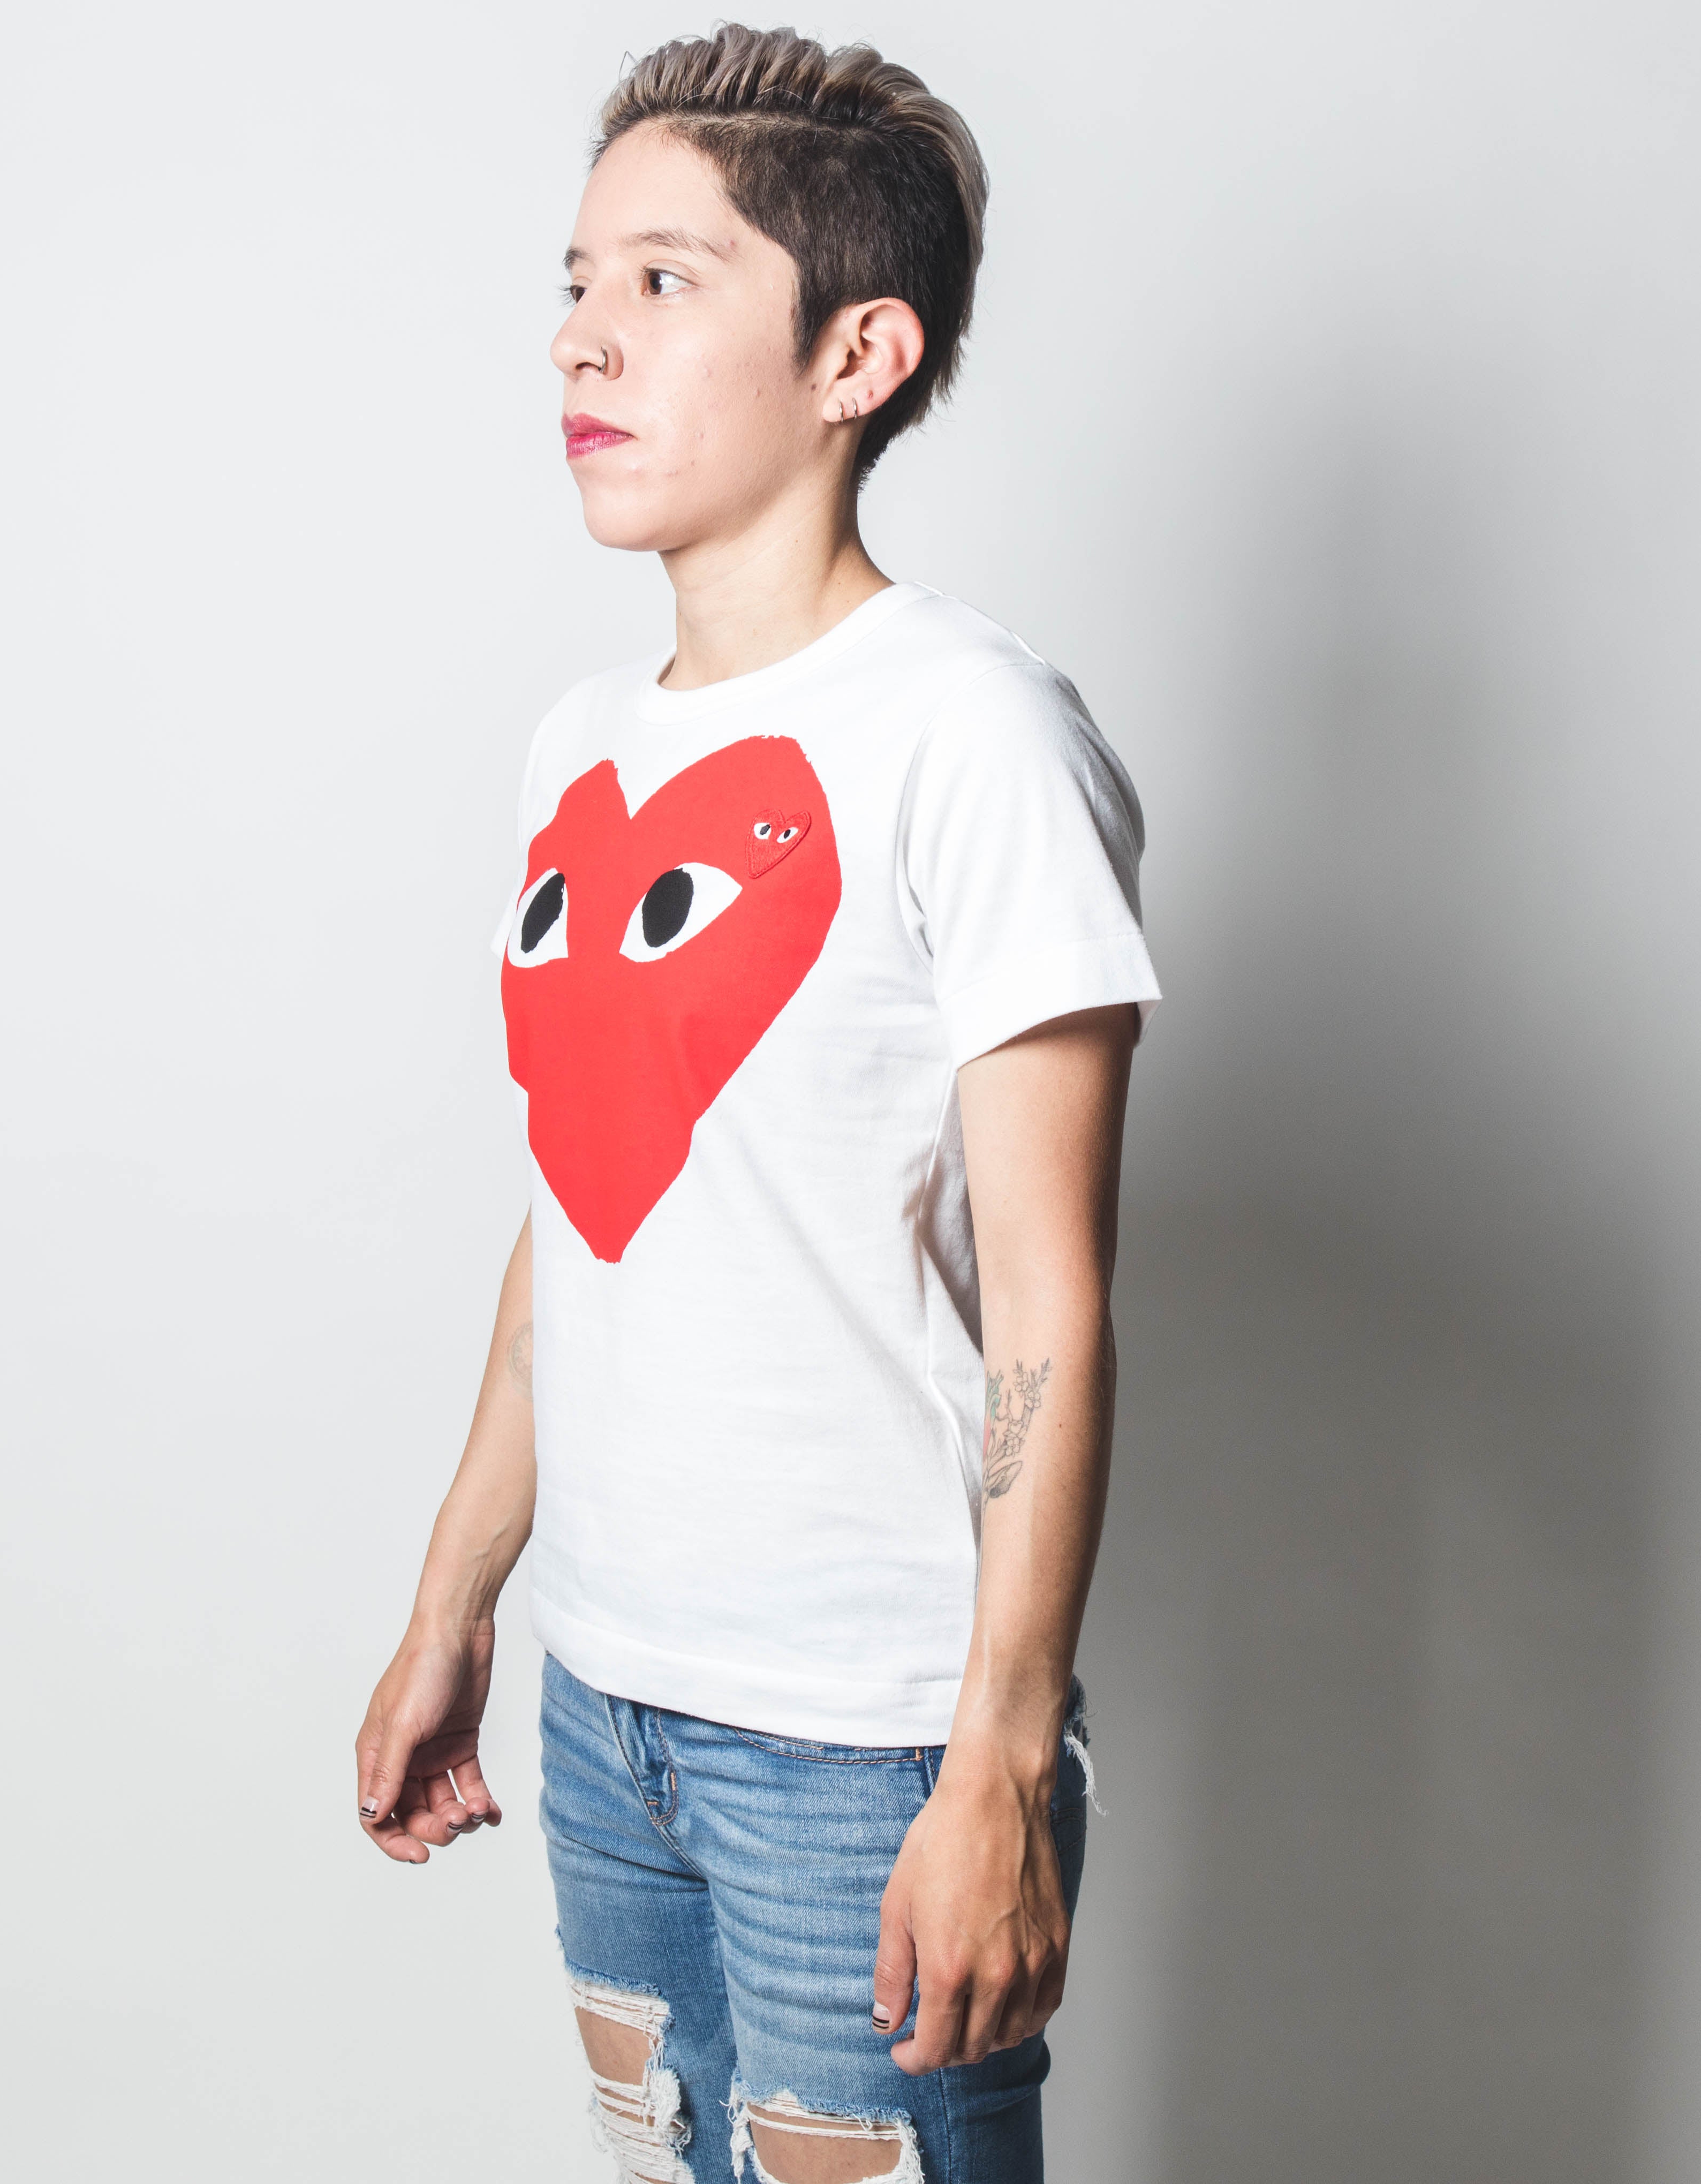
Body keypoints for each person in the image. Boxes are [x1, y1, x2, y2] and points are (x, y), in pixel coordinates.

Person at [354, 25, 1159, 2182]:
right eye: (577, 281)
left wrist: (997, 1763)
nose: (580, 338)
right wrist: (457, 1604)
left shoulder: (974, 736)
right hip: (607, 1711)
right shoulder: (582, 748)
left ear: (856, 355)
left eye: (664, 281)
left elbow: (1052, 1303)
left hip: (865, 1749)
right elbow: (587, 1205)